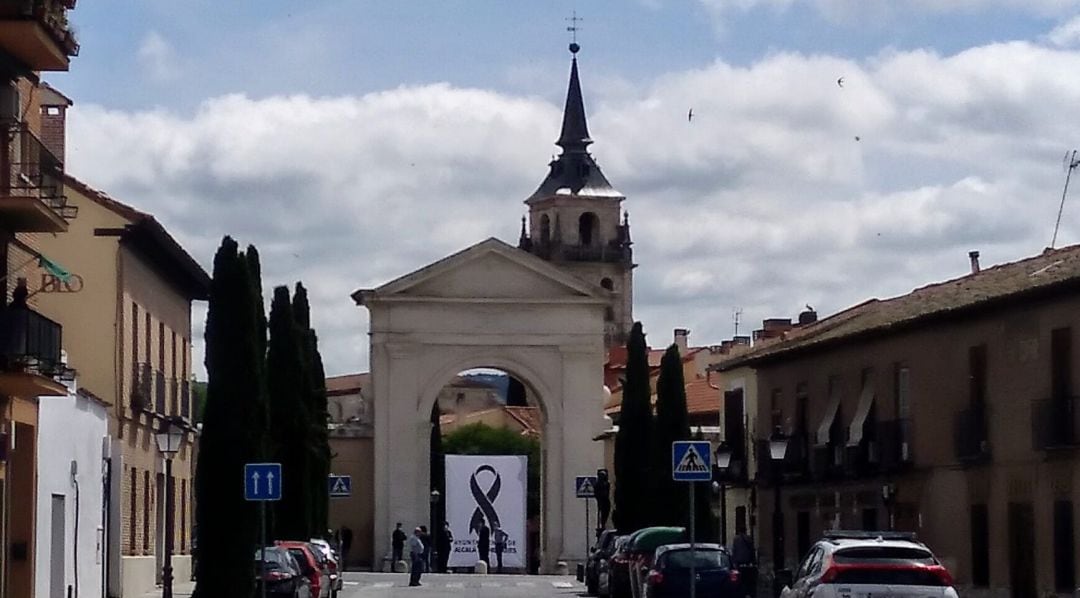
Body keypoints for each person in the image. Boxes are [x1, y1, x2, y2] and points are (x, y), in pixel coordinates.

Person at [731, 526, 757, 598]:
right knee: (748, 580)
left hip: (739, 564)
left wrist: (733, 561)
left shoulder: (736, 539)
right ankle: (748, 593)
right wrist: (754, 561)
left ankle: (741, 593)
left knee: (740, 580)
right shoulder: (749, 539)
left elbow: (734, 551)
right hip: (748, 564)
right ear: (745, 531)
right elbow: (752, 550)